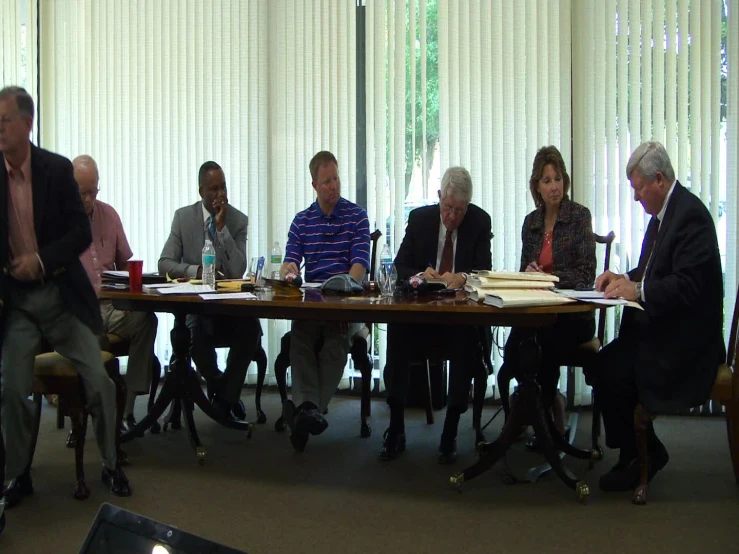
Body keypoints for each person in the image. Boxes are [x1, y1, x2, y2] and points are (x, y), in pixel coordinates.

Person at [0, 86, 131, 508]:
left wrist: (40, 260)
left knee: (99, 383)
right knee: (12, 389)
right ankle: (18, 475)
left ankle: (111, 465)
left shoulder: (55, 171)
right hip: (18, 305)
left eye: (5, 120)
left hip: (60, 298)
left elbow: (79, 232)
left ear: (26, 124)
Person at [593, 141, 724, 492]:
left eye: (638, 188)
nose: (635, 197)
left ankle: (641, 455)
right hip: (667, 330)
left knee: (610, 367)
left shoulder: (690, 217)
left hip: (688, 342)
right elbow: (654, 271)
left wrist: (639, 290)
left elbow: (686, 286)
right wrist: (624, 278)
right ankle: (639, 452)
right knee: (605, 363)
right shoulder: (668, 214)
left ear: (660, 180)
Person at [380, 166, 492, 463]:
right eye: (448, 207)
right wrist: (419, 273)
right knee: (397, 329)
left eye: (459, 210)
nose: (452, 216)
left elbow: (485, 272)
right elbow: (400, 266)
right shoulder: (420, 220)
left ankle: (450, 432)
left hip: (458, 319)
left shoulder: (479, 223)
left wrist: (464, 278)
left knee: (466, 338)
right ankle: (396, 427)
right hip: (422, 317)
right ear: (439, 196)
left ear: (468, 206)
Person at [498, 146, 596, 443]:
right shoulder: (531, 222)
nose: (554, 186)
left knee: (544, 347)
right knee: (512, 357)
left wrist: (550, 279)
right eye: (546, 180)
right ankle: (533, 411)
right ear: (536, 187)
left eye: (557, 179)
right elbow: (523, 272)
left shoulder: (579, 217)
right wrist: (528, 273)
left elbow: (585, 276)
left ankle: (548, 421)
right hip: (536, 312)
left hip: (573, 315)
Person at [280, 151, 370, 452]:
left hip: (345, 306)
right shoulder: (302, 221)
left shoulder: (356, 216)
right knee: (301, 337)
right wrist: (289, 269)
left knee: (335, 340)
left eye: (336, 178)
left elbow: (359, 267)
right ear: (314, 185)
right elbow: (288, 264)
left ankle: (303, 410)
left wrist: (346, 285)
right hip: (312, 304)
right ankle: (310, 411)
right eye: (327, 181)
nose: (334, 186)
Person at [158, 161, 261, 421]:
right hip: (198, 307)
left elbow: (238, 269)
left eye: (223, 187)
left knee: (252, 331)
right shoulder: (183, 218)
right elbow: (164, 263)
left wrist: (221, 229)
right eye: (214, 189)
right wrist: (196, 270)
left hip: (231, 309)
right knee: (192, 335)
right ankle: (218, 383)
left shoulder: (237, 220)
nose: (220, 194)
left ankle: (226, 400)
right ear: (201, 191)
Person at [74, 155, 158, 431]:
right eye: (81, 192)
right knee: (93, 336)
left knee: (146, 320)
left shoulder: (108, 215)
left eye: (93, 191)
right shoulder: (58, 221)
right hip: (79, 309)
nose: (88, 199)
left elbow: (125, 264)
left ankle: (128, 406)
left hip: (112, 304)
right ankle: (93, 412)